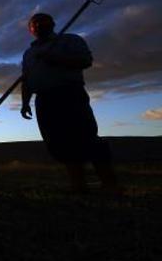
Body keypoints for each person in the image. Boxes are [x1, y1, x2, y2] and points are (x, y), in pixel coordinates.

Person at [20, 13, 119, 194]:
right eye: (35, 24)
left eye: (43, 22)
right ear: (30, 30)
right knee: (58, 141)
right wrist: (25, 102)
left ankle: (110, 184)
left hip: (69, 94)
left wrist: (55, 58)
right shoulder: (29, 53)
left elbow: (85, 61)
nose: (39, 25)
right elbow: (26, 79)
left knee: (87, 137)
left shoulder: (69, 41)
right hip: (44, 99)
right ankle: (78, 185)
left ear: (52, 24)